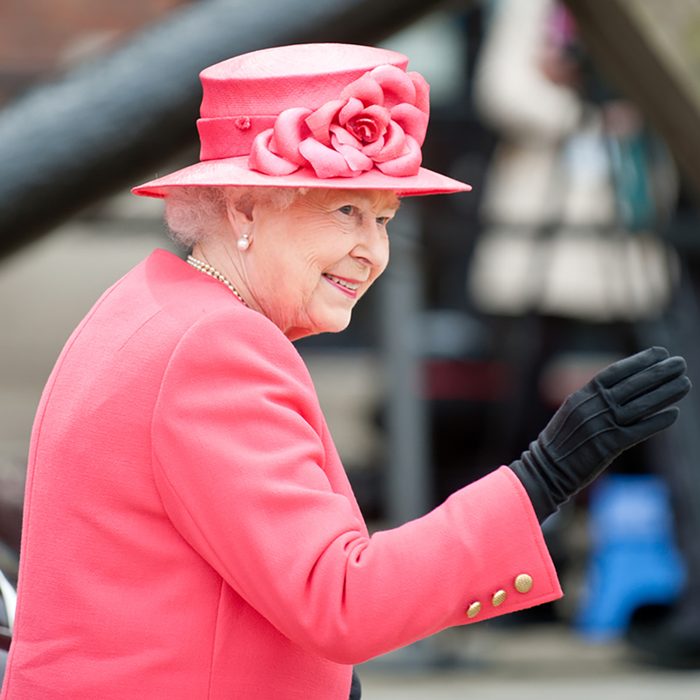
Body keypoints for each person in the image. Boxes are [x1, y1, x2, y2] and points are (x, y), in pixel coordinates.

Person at [0, 43, 690, 700]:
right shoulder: (216, 347)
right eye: (346, 211)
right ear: (243, 208)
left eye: (384, 218)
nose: (372, 252)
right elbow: (342, 600)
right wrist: (543, 476)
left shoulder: (149, 305)